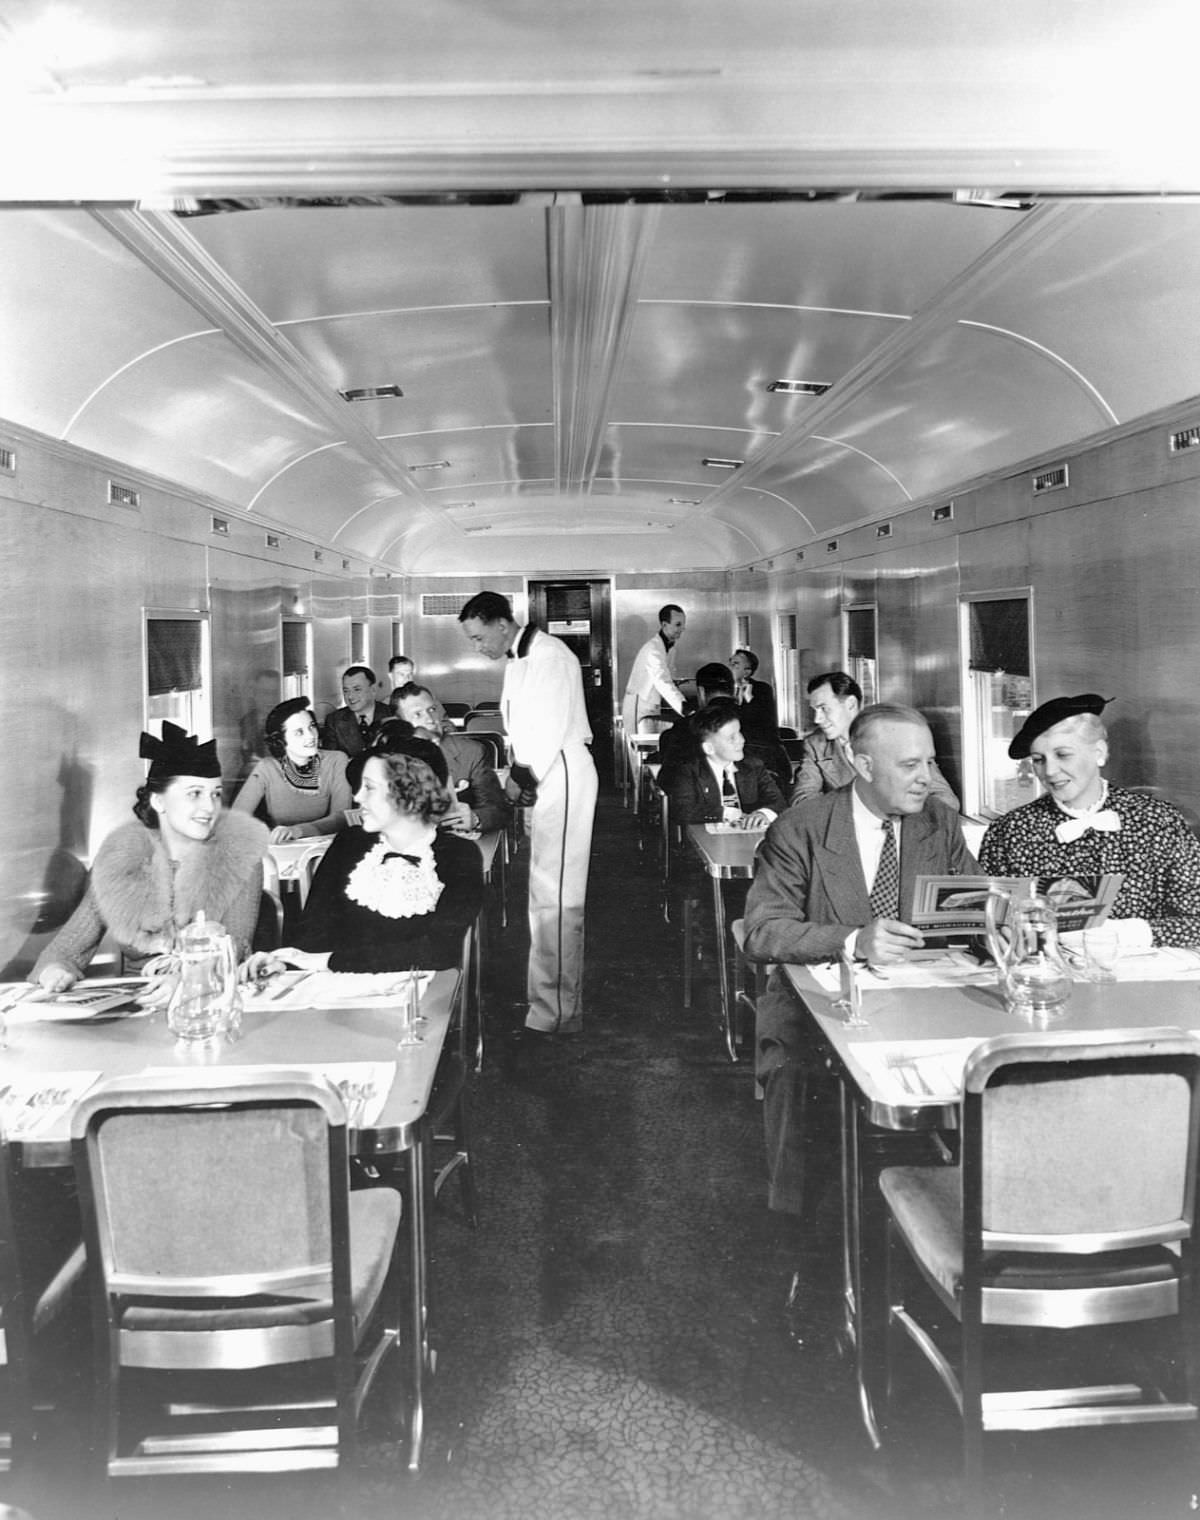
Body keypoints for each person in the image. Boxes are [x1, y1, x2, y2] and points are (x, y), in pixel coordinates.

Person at [743, 704, 976, 1221]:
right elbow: (762, 932)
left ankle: (955, 1214)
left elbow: (971, 910)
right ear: (865, 767)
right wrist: (853, 940)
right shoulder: (800, 829)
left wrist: (1005, 919)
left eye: (931, 764)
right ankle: (801, 1227)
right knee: (796, 1069)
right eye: (911, 766)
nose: (927, 780)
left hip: (923, 1001)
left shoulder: (938, 822)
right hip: (820, 1009)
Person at [33, 723, 268, 990]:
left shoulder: (239, 856)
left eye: (215, 794)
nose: (209, 807)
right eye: (195, 794)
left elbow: (234, 948)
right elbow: (63, 951)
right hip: (138, 1007)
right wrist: (56, 973)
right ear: (158, 801)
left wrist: (185, 982)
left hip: (211, 1000)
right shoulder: (121, 860)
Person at [459, 590, 597, 1035]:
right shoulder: (521, 660)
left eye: (479, 638)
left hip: (562, 771)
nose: (478, 648)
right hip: (544, 772)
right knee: (542, 891)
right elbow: (523, 729)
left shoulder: (550, 656)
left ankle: (557, 1011)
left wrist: (520, 776)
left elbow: (550, 728)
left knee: (557, 895)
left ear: (503, 624)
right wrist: (522, 776)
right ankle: (547, 1000)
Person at [978, 693, 1200, 948]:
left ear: (1099, 752)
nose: (1049, 771)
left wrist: (1123, 934)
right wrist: (994, 936)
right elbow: (984, 924)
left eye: (1063, 755)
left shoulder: (1160, 822)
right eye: (1038, 760)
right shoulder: (1009, 832)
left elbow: (1196, 921)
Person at [249, 744, 483, 975]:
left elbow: (438, 951)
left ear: (409, 793)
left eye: (369, 788)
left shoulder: (459, 854)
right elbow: (311, 937)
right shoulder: (349, 844)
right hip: (338, 996)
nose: (357, 797)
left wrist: (330, 961)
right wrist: (283, 962)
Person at [790, 671, 959, 810]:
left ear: (850, 704)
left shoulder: (898, 737)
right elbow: (803, 800)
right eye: (814, 710)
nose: (817, 719)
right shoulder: (815, 745)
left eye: (823, 709)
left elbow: (945, 799)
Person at [391, 681, 510, 835]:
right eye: (418, 714)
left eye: (432, 709)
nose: (430, 719)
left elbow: (498, 810)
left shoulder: (471, 751)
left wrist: (475, 818)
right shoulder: (389, 757)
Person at [232, 697, 353, 842]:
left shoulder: (337, 760)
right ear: (281, 740)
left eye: (312, 726)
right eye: (299, 732)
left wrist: (296, 831)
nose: (311, 736)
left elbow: (341, 817)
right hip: (281, 850)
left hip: (326, 849)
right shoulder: (266, 767)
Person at [660, 701, 784, 827]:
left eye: (739, 732)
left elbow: (778, 801)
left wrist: (763, 814)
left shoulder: (753, 766)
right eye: (731, 738)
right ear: (709, 748)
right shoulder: (688, 771)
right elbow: (683, 810)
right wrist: (726, 813)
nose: (741, 740)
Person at [621, 603, 687, 738]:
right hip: (639, 706)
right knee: (638, 750)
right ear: (664, 625)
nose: (682, 629)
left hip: (652, 706)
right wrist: (684, 707)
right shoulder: (653, 649)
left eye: (683, 625)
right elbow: (662, 680)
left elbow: (668, 676)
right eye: (678, 624)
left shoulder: (670, 648)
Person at [321, 665, 387, 756]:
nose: (350, 696)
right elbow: (332, 762)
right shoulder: (334, 721)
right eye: (346, 691)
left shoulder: (391, 714)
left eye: (357, 689)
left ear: (373, 690)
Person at [730, 648, 779, 744]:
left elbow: (766, 722)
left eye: (735, 664)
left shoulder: (762, 689)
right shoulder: (725, 690)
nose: (729, 668)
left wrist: (749, 699)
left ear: (747, 672)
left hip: (757, 745)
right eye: (730, 663)